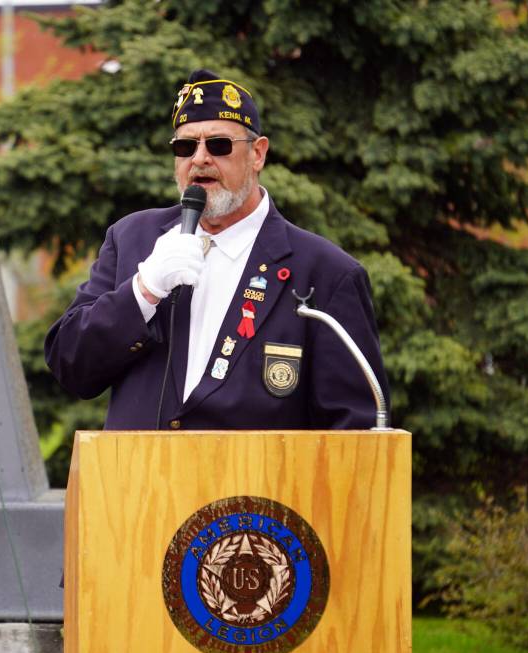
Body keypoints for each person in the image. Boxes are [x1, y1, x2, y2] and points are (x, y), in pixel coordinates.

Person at [45, 70, 388, 430]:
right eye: (185, 146)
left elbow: (355, 432)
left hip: (254, 486)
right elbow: (70, 365)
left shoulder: (325, 272)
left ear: (258, 154)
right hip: (141, 484)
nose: (200, 158)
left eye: (219, 145)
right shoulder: (132, 239)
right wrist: (143, 291)